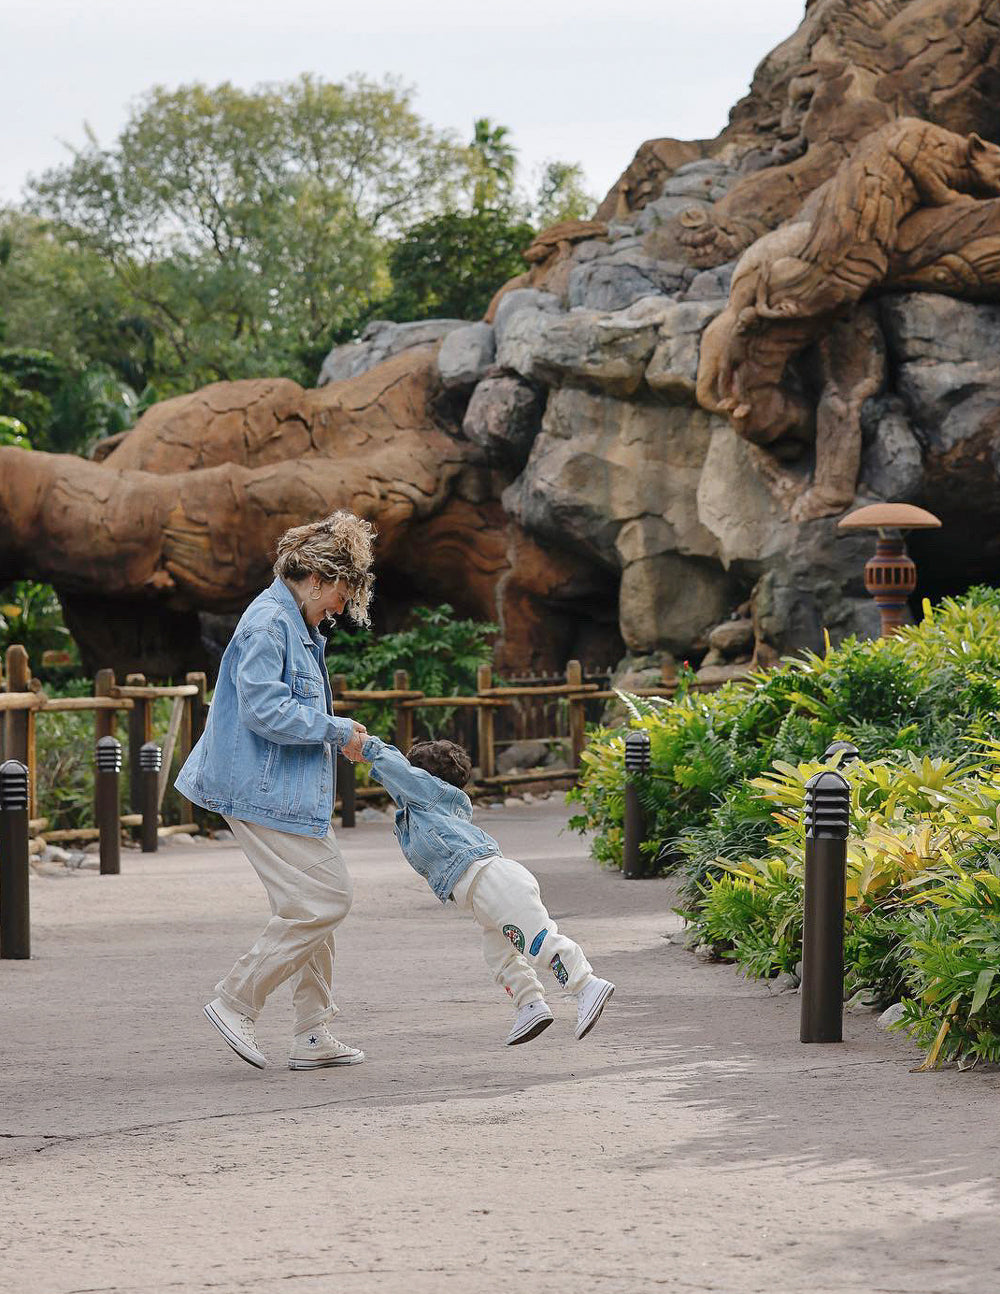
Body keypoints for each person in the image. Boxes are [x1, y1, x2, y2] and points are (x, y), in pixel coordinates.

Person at [175, 511, 375, 1072]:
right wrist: (337, 731)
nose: (341, 605)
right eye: (340, 591)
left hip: (282, 792)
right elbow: (265, 710)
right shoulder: (269, 624)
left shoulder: (297, 624)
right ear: (315, 578)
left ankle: (312, 1033)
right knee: (327, 898)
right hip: (257, 790)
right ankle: (235, 1000)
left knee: (309, 905)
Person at [358, 735, 615, 1045]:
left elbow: (399, 773)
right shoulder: (427, 807)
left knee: (537, 939)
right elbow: (402, 782)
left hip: (491, 880)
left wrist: (368, 747)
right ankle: (530, 1004)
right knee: (499, 956)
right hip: (484, 891)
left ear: (423, 778)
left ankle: (586, 984)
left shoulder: (432, 794)